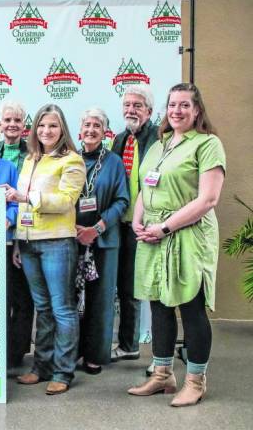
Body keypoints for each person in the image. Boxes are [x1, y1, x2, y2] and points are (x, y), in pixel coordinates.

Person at [127, 83, 225, 407]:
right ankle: (163, 375)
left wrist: (165, 226)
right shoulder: (160, 144)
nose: (177, 111)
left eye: (185, 105)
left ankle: (196, 381)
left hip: (186, 234)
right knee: (158, 305)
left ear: (197, 110)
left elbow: (208, 198)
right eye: (172, 105)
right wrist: (138, 221)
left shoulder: (208, 144)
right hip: (153, 234)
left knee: (190, 307)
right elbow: (145, 186)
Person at [4, 104, 85, 395]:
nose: (46, 131)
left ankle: (63, 371)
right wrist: (18, 243)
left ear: (62, 129)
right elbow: (22, 207)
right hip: (28, 244)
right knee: (43, 309)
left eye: (52, 126)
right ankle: (41, 367)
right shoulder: (30, 159)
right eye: (41, 126)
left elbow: (65, 201)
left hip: (56, 242)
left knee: (62, 309)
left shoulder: (72, 160)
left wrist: (26, 196)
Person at [75, 108, 129, 375]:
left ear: (105, 132)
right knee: (71, 298)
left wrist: (96, 228)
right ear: (79, 130)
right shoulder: (69, 159)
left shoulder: (114, 162)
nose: (91, 130)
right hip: (71, 239)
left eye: (97, 125)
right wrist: (72, 228)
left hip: (105, 241)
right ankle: (72, 351)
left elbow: (122, 201)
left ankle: (95, 355)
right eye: (87, 124)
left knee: (100, 299)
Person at [110, 85, 159, 363]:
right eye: (127, 105)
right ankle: (128, 345)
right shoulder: (119, 140)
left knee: (152, 288)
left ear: (149, 112)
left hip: (149, 225)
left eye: (137, 106)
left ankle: (160, 354)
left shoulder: (158, 139)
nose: (131, 110)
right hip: (122, 224)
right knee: (126, 288)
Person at [0, 101, 32, 369]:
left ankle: (16, 353)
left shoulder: (34, 153)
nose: (12, 125)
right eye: (7, 120)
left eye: (17, 120)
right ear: (0, 124)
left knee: (22, 296)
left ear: (24, 125)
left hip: (26, 229)